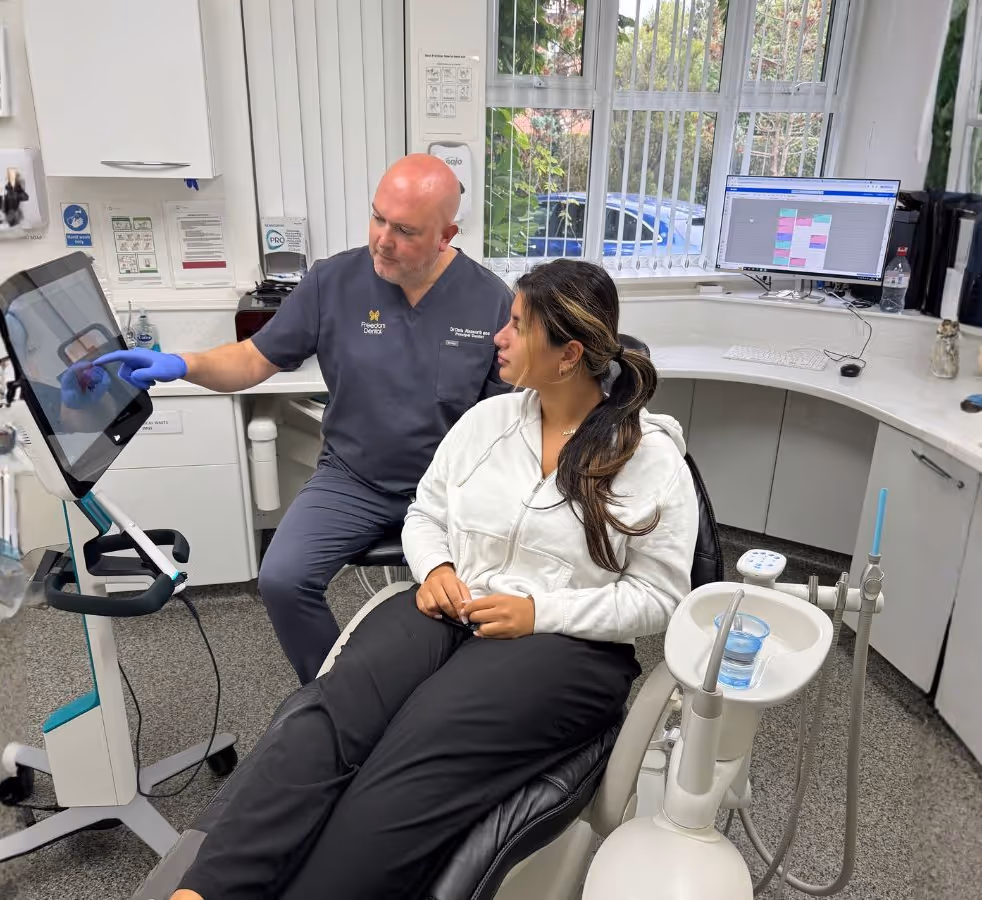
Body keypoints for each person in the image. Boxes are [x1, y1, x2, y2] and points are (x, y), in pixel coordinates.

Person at [167, 258, 699, 900]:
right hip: (448, 608)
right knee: (329, 716)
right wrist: (437, 567)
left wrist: (538, 614)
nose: (498, 336)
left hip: (562, 647)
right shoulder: (487, 424)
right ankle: (205, 889)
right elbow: (426, 514)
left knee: (410, 762)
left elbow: (659, 599)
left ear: (569, 355)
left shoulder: (648, 459)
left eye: (519, 325)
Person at [96, 155, 512, 684]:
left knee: (487, 594)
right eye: (377, 217)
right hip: (353, 479)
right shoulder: (332, 282)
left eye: (405, 230)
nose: (383, 239)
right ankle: (333, 696)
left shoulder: (490, 300)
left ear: (445, 235)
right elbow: (252, 359)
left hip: (452, 487)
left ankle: (447, 704)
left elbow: (506, 420)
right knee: (283, 578)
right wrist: (183, 364)